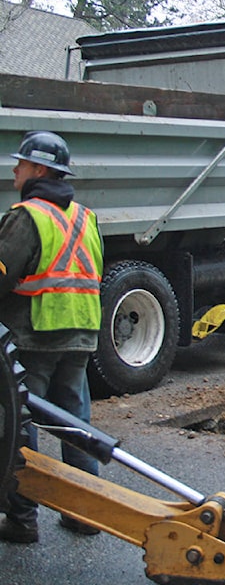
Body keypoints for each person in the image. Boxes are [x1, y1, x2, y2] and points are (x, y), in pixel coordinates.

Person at [0, 131, 104, 543]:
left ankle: (22, 520)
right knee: (74, 424)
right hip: (80, 332)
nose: (15, 169)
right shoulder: (85, 216)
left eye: (20, 164)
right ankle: (84, 512)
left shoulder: (28, 216)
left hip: (35, 334)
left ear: (39, 170)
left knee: (19, 426)